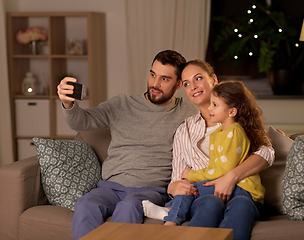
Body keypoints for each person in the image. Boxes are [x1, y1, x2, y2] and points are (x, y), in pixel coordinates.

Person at [57, 50, 199, 240]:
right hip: (110, 188)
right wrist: (68, 103)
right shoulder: (122, 104)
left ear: (179, 84)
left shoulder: (187, 111)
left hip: (151, 191)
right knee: (85, 204)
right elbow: (81, 122)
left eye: (165, 79)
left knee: (130, 205)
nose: (155, 84)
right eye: (152, 75)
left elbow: (217, 121)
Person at [143, 60, 274, 240]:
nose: (193, 87)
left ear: (213, 79)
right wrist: (176, 187)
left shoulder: (237, 121)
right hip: (204, 195)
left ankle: (170, 212)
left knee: (242, 204)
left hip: (240, 192)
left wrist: (231, 177)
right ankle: (172, 214)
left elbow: (267, 152)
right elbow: (177, 178)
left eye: (198, 78)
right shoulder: (184, 131)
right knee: (211, 201)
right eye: (187, 84)